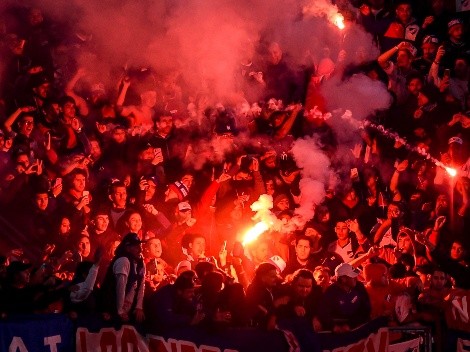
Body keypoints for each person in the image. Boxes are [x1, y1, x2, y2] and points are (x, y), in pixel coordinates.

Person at [100, 233, 146, 323]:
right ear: (127, 248)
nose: (140, 249)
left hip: (127, 305)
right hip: (111, 304)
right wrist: (120, 311)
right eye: (136, 247)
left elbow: (141, 286)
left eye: (140, 246)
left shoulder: (140, 263)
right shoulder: (123, 261)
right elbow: (120, 287)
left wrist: (139, 307)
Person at [318, 263, 371, 332]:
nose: (356, 278)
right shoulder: (330, 293)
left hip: (358, 325)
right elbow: (323, 313)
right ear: (343, 279)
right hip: (338, 329)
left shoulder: (359, 287)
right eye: (353, 276)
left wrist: (350, 325)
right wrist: (333, 327)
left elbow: (366, 309)